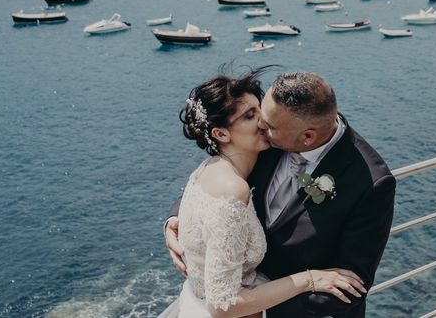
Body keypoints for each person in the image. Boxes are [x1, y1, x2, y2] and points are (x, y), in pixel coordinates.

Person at [166, 72, 396, 318]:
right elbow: (220, 188)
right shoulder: (268, 131)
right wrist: (176, 221)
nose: (261, 125)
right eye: (256, 115)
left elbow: (350, 285)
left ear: (307, 137)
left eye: (269, 125)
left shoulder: (372, 183)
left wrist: (259, 311)